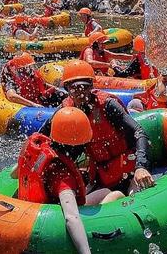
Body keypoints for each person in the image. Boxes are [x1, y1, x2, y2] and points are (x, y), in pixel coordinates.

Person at [16, 107, 121, 254]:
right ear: (79, 145)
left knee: (104, 191)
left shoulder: (37, 147)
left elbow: (15, 174)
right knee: (115, 195)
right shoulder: (63, 175)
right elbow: (71, 218)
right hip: (50, 221)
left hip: (28, 210)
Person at [47, 60, 155, 195]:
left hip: (129, 168)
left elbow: (139, 133)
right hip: (101, 174)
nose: (81, 93)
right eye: (75, 88)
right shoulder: (65, 112)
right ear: (67, 89)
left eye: (85, 87)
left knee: (135, 194)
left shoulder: (108, 105)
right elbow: (47, 142)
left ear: (91, 86)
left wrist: (141, 167)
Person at [1, 52, 66, 107]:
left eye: (30, 66)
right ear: (20, 68)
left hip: (39, 98)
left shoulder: (29, 71)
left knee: (61, 94)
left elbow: (42, 84)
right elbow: (11, 96)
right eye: (27, 67)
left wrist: (56, 89)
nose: (30, 68)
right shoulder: (10, 75)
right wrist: (33, 104)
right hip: (28, 104)